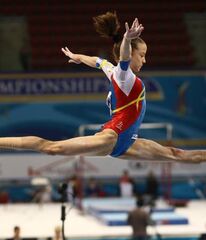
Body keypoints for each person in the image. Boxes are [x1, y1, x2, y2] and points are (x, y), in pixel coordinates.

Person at [0, 12, 205, 164]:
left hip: (128, 143)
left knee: (176, 155)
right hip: (111, 137)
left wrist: (78, 57)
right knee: (52, 148)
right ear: (130, 53)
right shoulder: (124, 76)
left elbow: (97, 61)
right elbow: (123, 58)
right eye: (141, 55)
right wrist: (127, 39)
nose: (144, 59)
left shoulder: (113, 71)